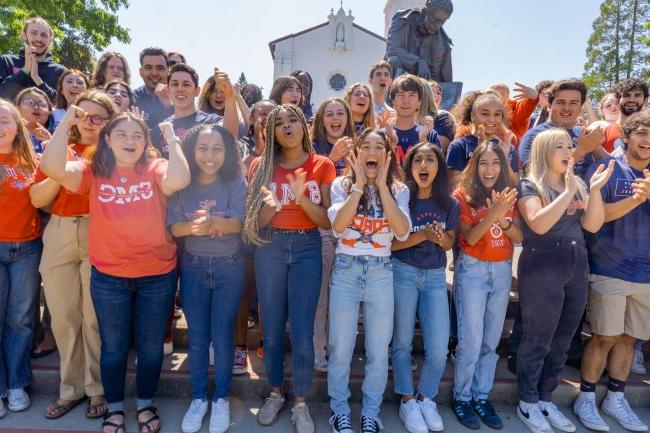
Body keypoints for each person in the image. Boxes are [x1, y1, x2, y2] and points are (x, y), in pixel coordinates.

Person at [39, 111, 191, 433]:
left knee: (150, 347)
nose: (130, 140)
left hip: (157, 274)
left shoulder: (155, 168)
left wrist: (171, 137)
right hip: (109, 276)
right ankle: (116, 409)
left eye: (137, 135)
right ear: (107, 139)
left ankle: (145, 404)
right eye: (121, 134)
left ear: (146, 142)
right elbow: (51, 168)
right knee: (113, 347)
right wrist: (66, 124)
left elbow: (179, 180)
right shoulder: (94, 170)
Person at [243, 104, 336, 433]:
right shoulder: (260, 165)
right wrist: (274, 207)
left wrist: (302, 199)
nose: (286, 127)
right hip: (270, 245)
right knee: (270, 328)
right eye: (278, 123)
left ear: (303, 126)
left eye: (292, 120)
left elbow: (328, 220)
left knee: (302, 330)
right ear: (270, 132)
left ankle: (300, 402)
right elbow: (253, 222)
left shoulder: (321, 165)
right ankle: (275, 392)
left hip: (309, 245)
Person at [515, 128, 614, 433]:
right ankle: (527, 401)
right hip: (544, 260)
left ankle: (546, 397)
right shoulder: (530, 184)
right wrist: (570, 191)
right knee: (538, 336)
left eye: (568, 146)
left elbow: (593, 224)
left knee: (564, 337)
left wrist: (593, 190)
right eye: (559, 146)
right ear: (545, 151)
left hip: (577, 260)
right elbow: (539, 224)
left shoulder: (578, 183)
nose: (567, 151)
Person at [30, 89, 117, 420]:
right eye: (84, 115)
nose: (90, 123)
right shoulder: (60, 148)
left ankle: (96, 388)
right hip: (61, 229)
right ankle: (70, 388)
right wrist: (61, 171)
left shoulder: (115, 152)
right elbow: (38, 199)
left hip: (100, 230)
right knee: (65, 316)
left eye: (99, 117)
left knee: (93, 317)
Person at [327, 128, 411, 433]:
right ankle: (339, 410)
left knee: (378, 349)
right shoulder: (341, 184)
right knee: (341, 347)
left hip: (380, 271)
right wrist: (360, 186)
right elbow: (337, 226)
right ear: (357, 153)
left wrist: (383, 188)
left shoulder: (400, 190)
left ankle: (371, 412)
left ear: (387, 155)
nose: (372, 153)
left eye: (379, 147)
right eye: (367, 147)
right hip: (347, 269)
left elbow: (401, 231)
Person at [573, 111, 650, 432]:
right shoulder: (607, 167)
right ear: (628, 136)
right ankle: (586, 397)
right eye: (642, 133)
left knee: (630, 339)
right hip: (609, 269)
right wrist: (637, 199)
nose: (647, 140)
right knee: (604, 337)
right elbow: (595, 217)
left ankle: (615, 398)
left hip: (646, 275)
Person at [168, 124, 247, 433]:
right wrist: (203, 226)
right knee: (198, 338)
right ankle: (199, 397)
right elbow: (175, 228)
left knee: (222, 337)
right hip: (194, 266)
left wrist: (215, 222)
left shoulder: (235, 181)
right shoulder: (183, 184)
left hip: (230, 266)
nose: (210, 155)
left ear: (227, 153)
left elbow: (238, 224)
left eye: (217, 148)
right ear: (192, 150)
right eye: (203, 148)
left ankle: (222, 399)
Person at [451, 142, 522, 430]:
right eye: (483, 163)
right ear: (474, 166)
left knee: (491, 340)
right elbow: (469, 238)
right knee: (470, 338)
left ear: (503, 166)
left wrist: (503, 219)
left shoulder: (511, 195)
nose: (489, 169)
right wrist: (493, 214)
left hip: (502, 268)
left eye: (495, 163)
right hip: (473, 269)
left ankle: (482, 395)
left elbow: (518, 237)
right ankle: (462, 396)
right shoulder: (461, 196)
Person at [391, 142, 458, 433]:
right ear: (411, 165)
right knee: (403, 343)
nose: (424, 165)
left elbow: (449, 242)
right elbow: (392, 243)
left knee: (438, 348)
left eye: (430, 160)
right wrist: (423, 236)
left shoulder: (449, 203)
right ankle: (407, 400)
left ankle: (425, 397)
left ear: (438, 167)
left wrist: (439, 238)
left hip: (433, 277)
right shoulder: (402, 198)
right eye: (419, 160)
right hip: (402, 272)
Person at [0, 99, 42, 418]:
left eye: (4, 121)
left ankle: (17, 384)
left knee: (21, 319)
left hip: (26, 248)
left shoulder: (33, 161)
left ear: (17, 126)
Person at [310, 97, 356, 373]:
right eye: (330, 114)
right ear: (321, 119)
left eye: (341, 113)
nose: (335, 118)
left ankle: (341, 350)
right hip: (323, 231)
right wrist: (332, 159)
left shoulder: (359, 145)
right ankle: (318, 350)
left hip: (352, 232)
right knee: (321, 297)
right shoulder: (311, 147)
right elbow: (305, 185)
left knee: (345, 297)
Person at [518, 79, 608, 178]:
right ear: (549, 105)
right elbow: (534, 172)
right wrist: (581, 150)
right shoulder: (535, 136)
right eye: (561, 102)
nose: (567, 108)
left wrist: (596, 147)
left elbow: (611, 166)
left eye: (573, 103)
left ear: (581, 107)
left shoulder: (582, 133)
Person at [150, 64, 238, 158]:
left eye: (186, 84)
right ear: (167, 90)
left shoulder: (211, 121)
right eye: (175, 84)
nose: (180, 89)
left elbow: (230, 137)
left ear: (197, 91)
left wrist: (229, 95)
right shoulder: (159, 129)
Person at [447, 92, 518, 185]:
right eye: (485, 114)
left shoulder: (508, 148)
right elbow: (455, 186)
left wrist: (503, 158)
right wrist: (480, 153)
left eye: (497, 114)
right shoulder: (459, 146)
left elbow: (515, 185)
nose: (492, 119)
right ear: (473, 116)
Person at [0, 17, 66, 102]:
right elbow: (2, 96)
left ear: (50, 40)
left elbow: (61, 104)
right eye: (34, 33)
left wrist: (37, 79)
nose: (39, 39)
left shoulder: (61, 72)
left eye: (44, 35)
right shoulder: (6, 61)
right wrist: (25, 70)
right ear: (24, 35)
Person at [385, 0, 454, 82]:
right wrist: (418, 62)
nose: (437, 25)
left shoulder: (441, 44)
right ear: (424, 12)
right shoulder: (402, 19)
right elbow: (392, 49)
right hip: (400, 74)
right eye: (434, 20)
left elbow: (437, 77)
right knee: (394, 60)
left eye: (442, 22)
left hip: (425, 84)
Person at [387, 74, 440, 162]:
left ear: (419, 101)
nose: (406, 101)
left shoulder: (430, 135)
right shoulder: (383, 134)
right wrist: (391, 141)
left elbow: (436, 170)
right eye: (401, 95)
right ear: (393, 100)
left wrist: (423, 139)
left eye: (412, 95)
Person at [133, 48, 173, 133]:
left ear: (168, 72)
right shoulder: (131, 98)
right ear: (141, 72)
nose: (154, 73)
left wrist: (170, 106)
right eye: (148, 68)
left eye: (160, 68)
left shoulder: (180, 97)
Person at [603, 78, 648, 153]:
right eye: (626, 95)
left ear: (645, 100)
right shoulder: (603, 134)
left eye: (637, 95)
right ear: (617, 100)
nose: (631, 100)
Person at [14, 86, 53, 154]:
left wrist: (53, 146)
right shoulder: (6, 136)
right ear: (17, 108)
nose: (36, 107)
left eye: (42, 104)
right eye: (30, 103)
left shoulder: (59, 140)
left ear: (50, 112)